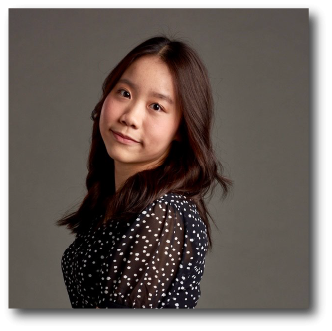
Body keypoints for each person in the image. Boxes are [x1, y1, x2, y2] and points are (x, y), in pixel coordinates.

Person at [57, 35, 233, 309]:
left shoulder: (163, 214)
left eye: (156, 106)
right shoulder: (121, 205)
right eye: (124, 93)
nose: (130, 116)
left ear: (182, 130)